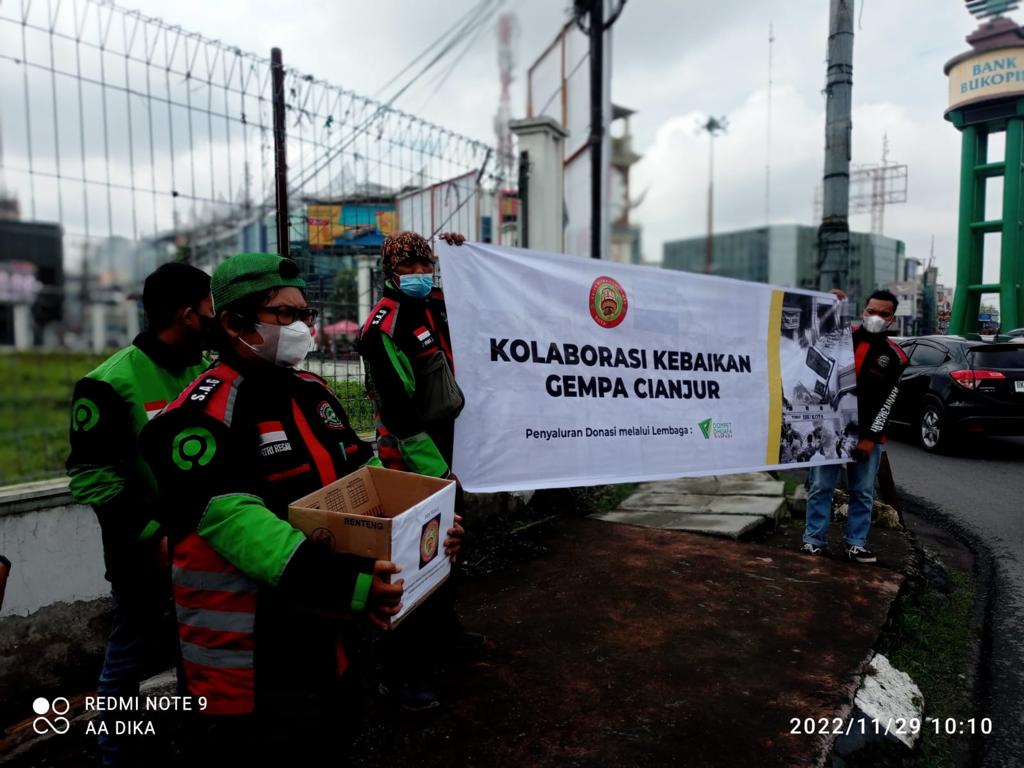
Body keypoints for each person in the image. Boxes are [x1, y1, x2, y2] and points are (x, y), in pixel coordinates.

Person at [139, 252, 454, 761]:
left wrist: (428, 532)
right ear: (233, 322)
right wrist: (353, 586)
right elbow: (239, 523)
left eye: (305, 315)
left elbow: (363, 486)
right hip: (251, 658)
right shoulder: (197, 420)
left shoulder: (315, 394)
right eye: (285, 315)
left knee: (337, 739)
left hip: (329, 638)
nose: (304, 327)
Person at [66, 262, 213, 767]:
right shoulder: (107, 384)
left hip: (209, 545)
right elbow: (96, 480)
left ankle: (189, 738)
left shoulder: (206, 373)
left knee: (198, 651)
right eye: (211, 308)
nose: (218, 318)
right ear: (187, 314)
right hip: (146, 555)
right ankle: (117, 753)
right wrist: (155, 538)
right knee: (129, 655)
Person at [357, 230, 484, 711]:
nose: (417, 274)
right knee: (415, 557)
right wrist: (440, 475)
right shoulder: (381, 328)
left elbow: (475, 294)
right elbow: (400, 414)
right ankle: (399, 671)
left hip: (445, 448)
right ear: (390, 271)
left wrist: (459, 253)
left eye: (423, 265)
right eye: (407, 267)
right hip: (411, 457)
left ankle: (444, 633)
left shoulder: (431, 302)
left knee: (451, 544)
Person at [801, 289, 908, 563]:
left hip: (867, 438)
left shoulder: (894, 355)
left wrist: (870, 438)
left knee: (862, 492)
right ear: (863, 310)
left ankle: (856, 544)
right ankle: (814, 541)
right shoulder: (842, 338)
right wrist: (829, 303)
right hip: (831, 431)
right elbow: (810, 335)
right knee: (820, 487)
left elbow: (889, 400)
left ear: (892, 318)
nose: (876, 317)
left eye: (884, 314)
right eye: (872, 311)